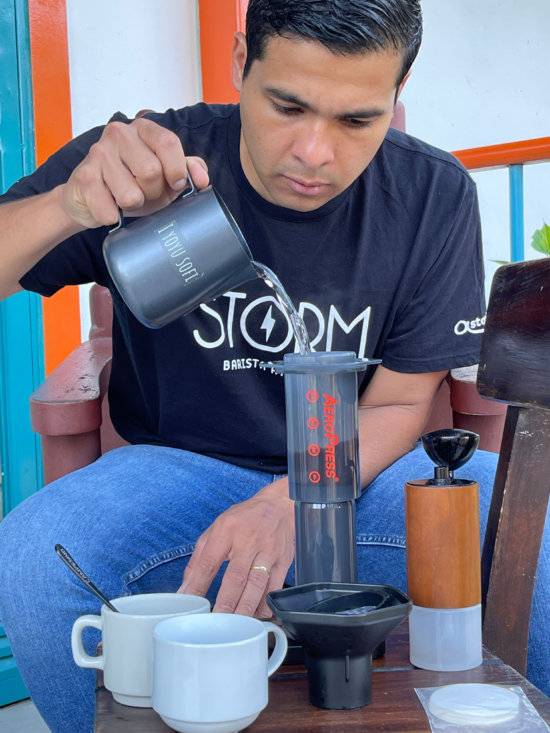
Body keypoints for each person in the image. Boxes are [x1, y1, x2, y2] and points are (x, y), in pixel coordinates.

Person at [0, 1, 547, 731]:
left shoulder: (430, 194)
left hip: (364, 477)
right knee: (38, 556)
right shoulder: (158, 156)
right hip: (179, 473)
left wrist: (299, 495)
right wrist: (71, 206)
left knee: (533, 542)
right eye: (286, 105)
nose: (314, 152)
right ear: (238, 64)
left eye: (357, 119)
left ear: (397, 93)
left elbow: (393, 405)